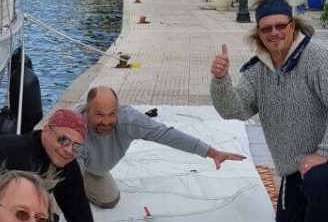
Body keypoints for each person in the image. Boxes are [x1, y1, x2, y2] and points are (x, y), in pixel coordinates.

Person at [210, 0, 328, 222]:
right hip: (294, 166)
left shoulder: (317, 57)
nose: (275, 33)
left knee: (317, 180)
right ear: (259, 34)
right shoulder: (256, 72)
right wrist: (220, 80)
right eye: (267, 28)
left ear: (292, 25)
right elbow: (235, 110)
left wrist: (324, 153)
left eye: (281, 25)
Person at [77, 86, 247, 208]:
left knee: (110, 201)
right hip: (69, 168)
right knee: (59, 204)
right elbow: (69, 172)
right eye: (99, 114)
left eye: (111, 114)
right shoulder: (74, 130)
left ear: (117, 110)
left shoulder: (128, 119)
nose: (106, 122)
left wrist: (212, 152)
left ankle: (86, 184)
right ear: (87, 110)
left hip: (94, 169)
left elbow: (166, 134)